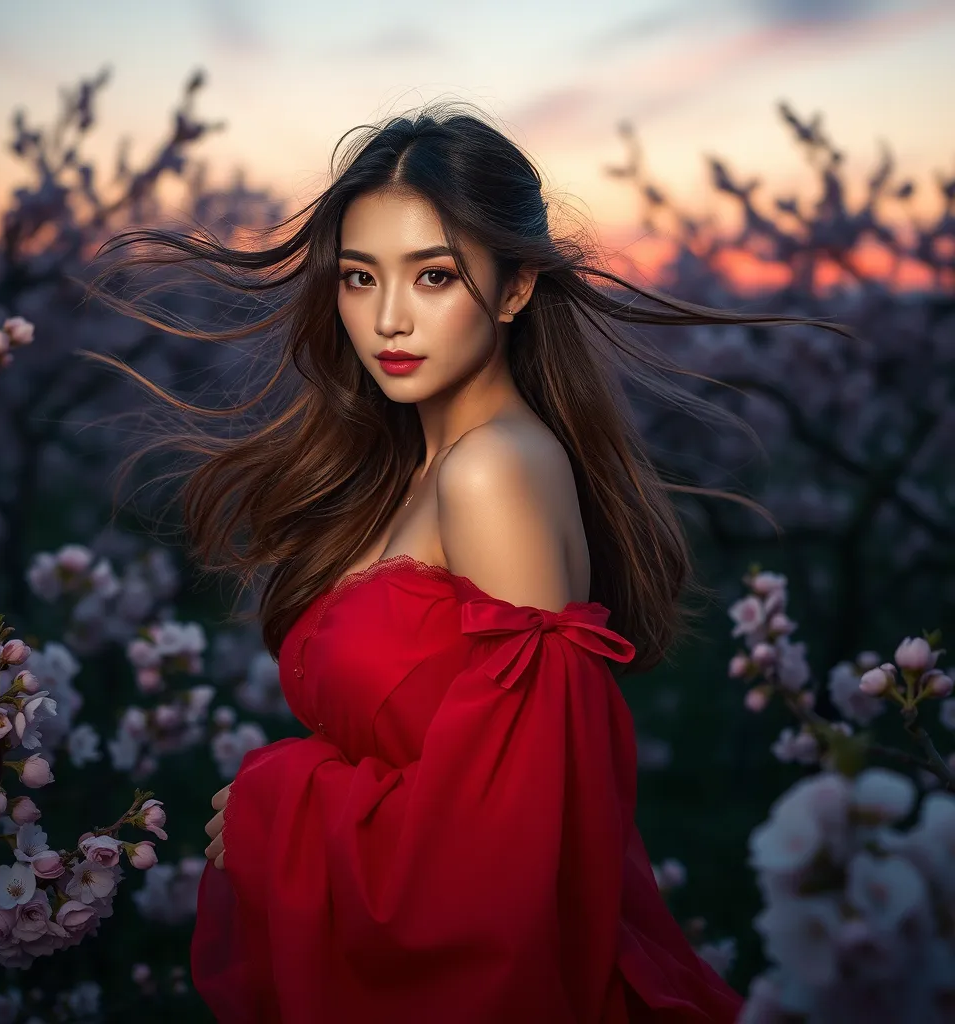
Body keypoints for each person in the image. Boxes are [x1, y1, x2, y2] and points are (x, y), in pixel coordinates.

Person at [91, 102, 851, 1023]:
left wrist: (278, 802)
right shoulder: (420, 468)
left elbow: (517, 848)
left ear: (516, 288)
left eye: (436, 276)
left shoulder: (494, 470)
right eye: (361, 278)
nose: (390, 320)